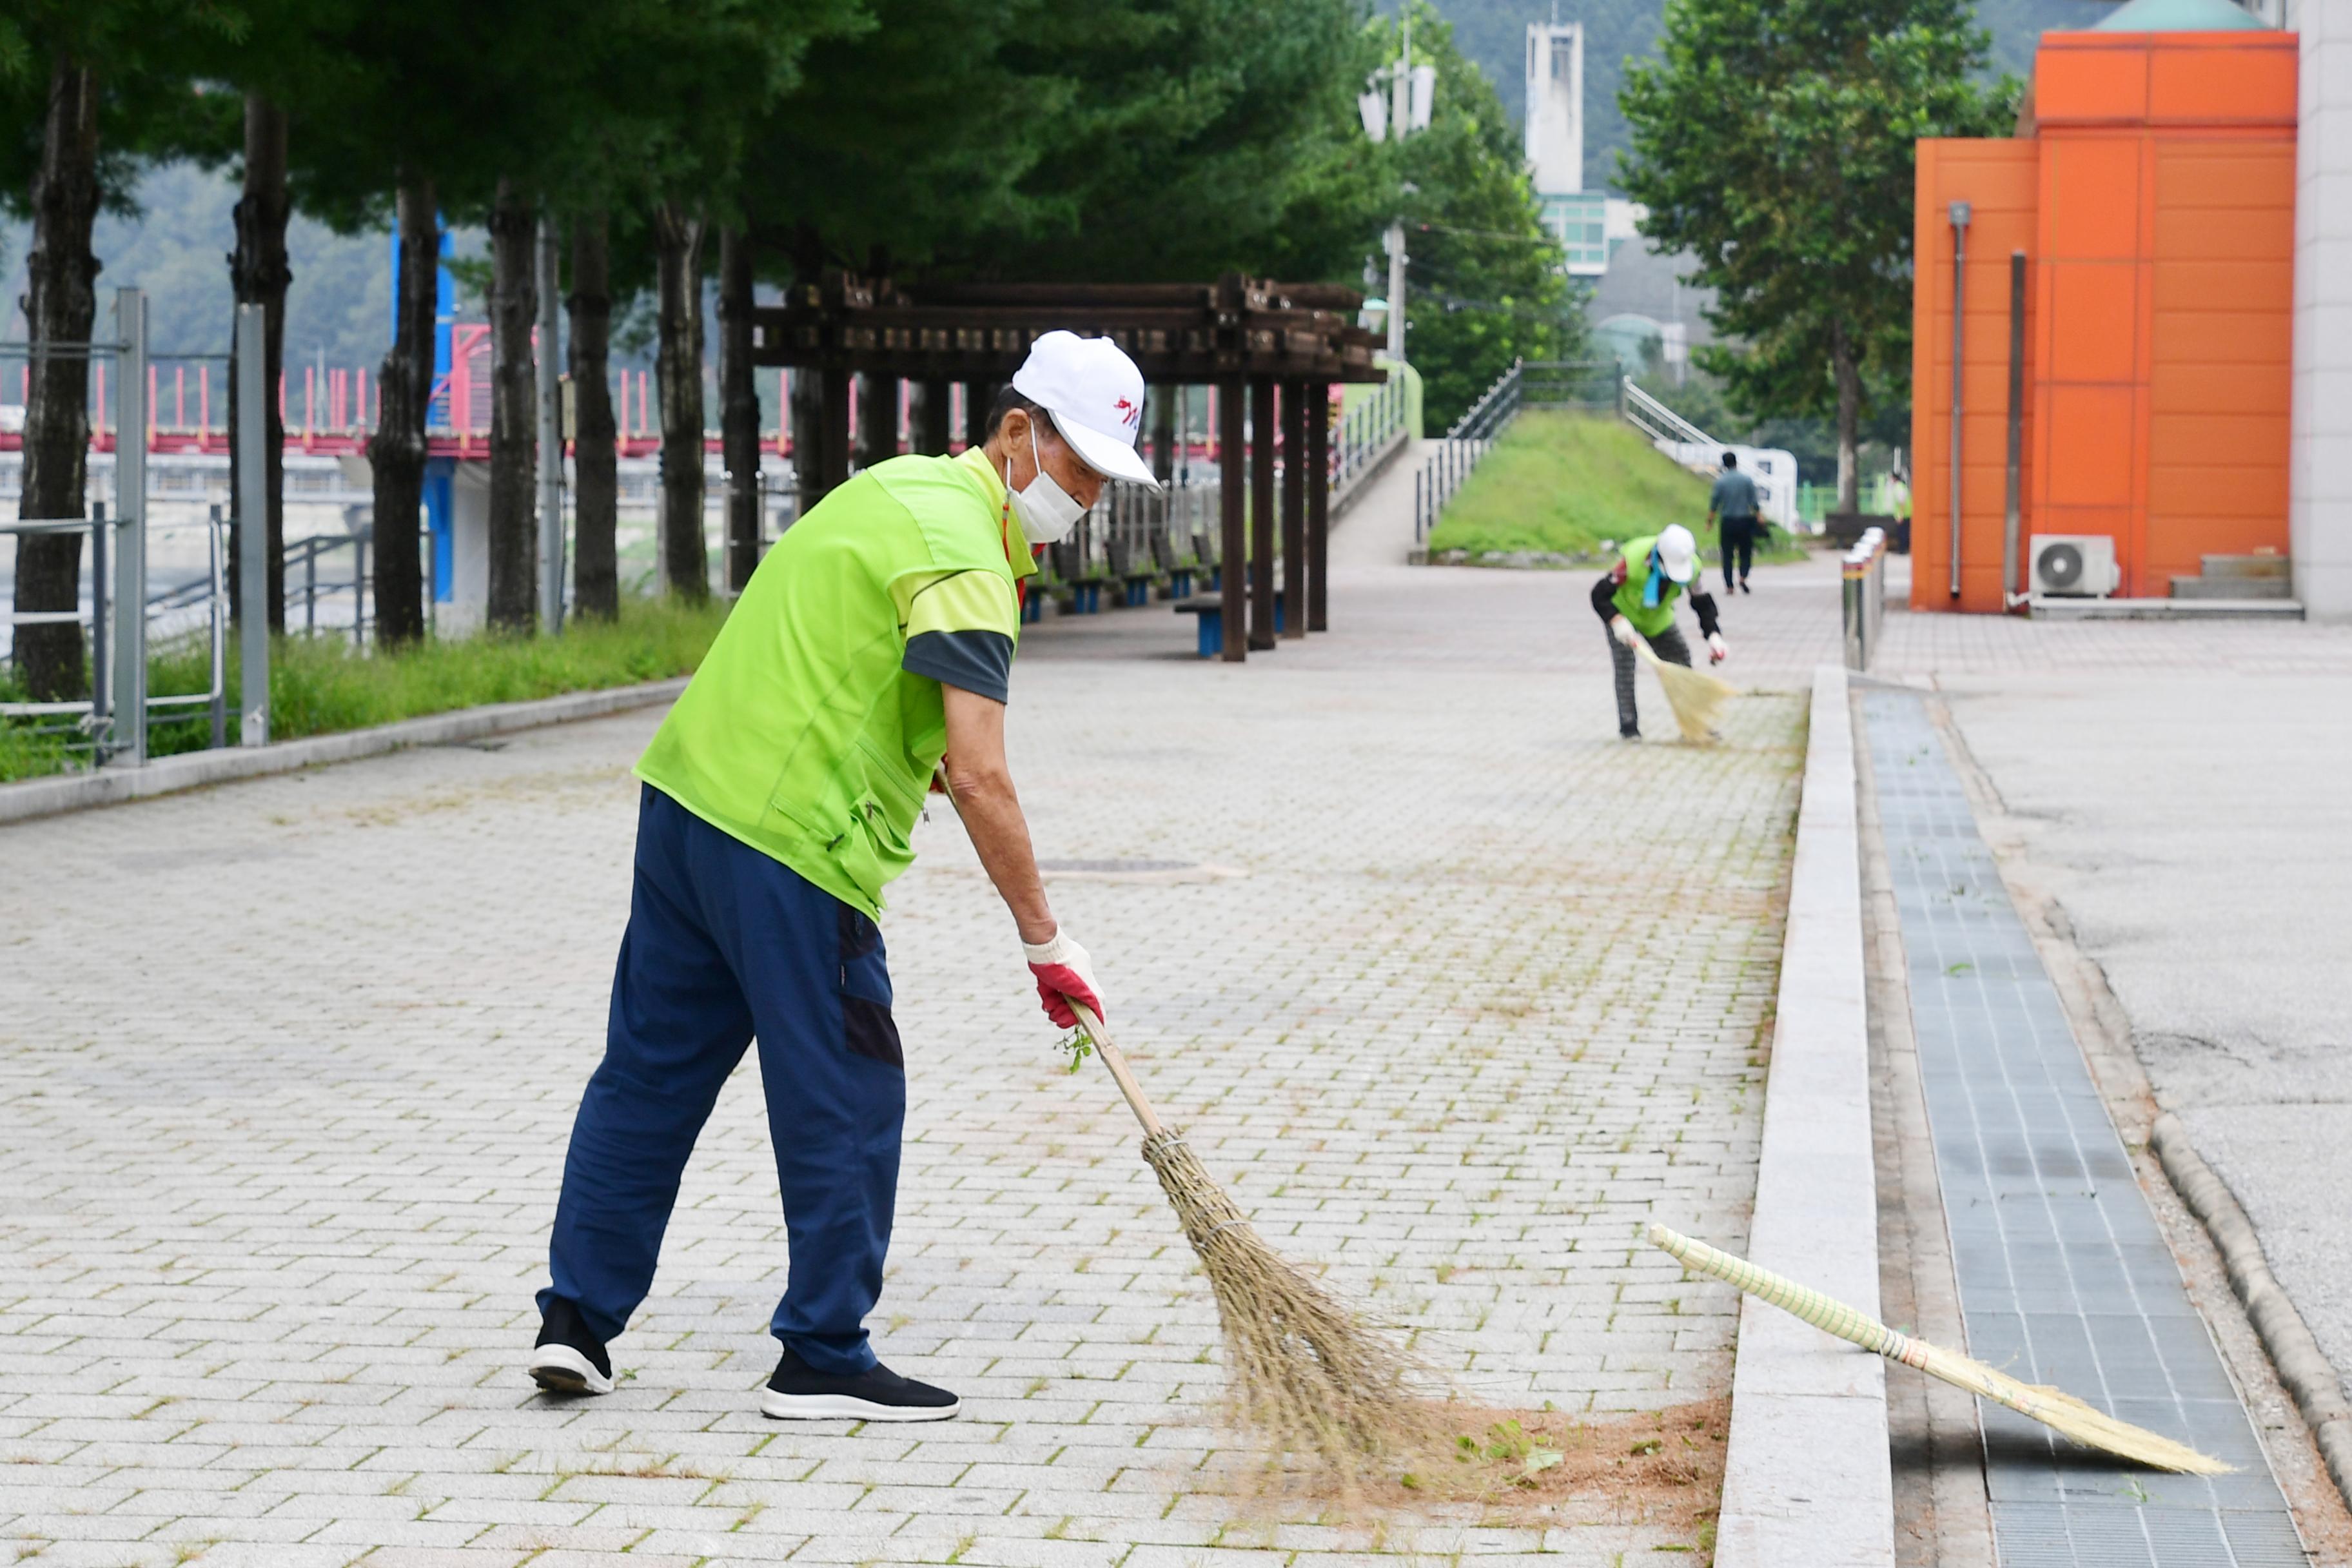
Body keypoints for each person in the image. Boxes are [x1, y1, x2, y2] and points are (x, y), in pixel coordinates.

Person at [526, 331, 1159, 1422]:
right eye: (1081, 467)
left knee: (647, 1073)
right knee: (850, 1090)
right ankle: (822, 1349)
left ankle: (575, 1323)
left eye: (1106, 477)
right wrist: (1046, 941)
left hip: (686, 803)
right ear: (1019, 432)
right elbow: (980, 771)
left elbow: (846, 658)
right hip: (790, 847)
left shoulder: (898, 490)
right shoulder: (968, 553)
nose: (1089, 496)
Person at [1591, 523, 1727, 741]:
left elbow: (1702, 603)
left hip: (1658, 619)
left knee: (1681, 660)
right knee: (1625, 668)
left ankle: (1694, 725)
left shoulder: (1692, 567)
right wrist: (1616, 621)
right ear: (1659, 555)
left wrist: (1714, 636)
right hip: (1622, 617)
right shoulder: (1633, 559)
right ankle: (1629, 728)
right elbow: (1599, 594)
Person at [1707, 450, 1761, 594]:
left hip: (1728, 521)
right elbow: (1754, 502)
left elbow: (1714, 503)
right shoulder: (1747, 480)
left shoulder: (1721, 482)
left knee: (1727, 555)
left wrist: (1710, 522)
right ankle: (1743, 576)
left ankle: (1730, 586)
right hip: (1745, 520)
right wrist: (1760, 516)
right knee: (1746, 552)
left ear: (1724, 464)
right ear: (1736, 462)